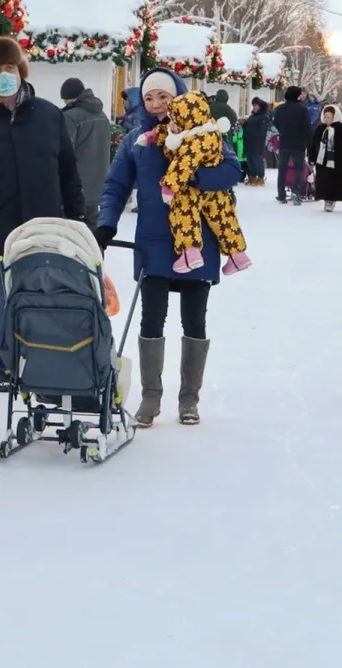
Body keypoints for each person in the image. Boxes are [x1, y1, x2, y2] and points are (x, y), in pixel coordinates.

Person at [97, 69, 242, 426]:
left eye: (164, 96)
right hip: (154, 241)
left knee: (194, 318)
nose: (157, 104)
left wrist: (192, 174)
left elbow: (233, 170)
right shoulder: (137, 141)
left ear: (177, 96)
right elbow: (116, 185)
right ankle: (151, 397)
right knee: (152, 318)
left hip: (199, 241)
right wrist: (105, 224)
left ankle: (189, 399)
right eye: (149, 98)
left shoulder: (204, 135)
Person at [0, 35, 86, 392]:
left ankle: (42, 359)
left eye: (9, 67)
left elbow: (68, 172)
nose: (3, 74)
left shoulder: (49, 116)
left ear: (20, 71)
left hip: (44, 228)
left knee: (43, 296)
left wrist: (76, 221)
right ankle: (3, 365)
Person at [158, 90, 252, 274]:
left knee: (184, 213)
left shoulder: (194, 140)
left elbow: (183, 163)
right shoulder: (211, 130)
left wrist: (169, 186)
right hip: (216, 191)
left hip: (191, 189)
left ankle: (189, 253)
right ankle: (237, 255)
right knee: (224, 217)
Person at [60, 78, 114, 224]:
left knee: (74, 233)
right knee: (92, 233)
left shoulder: (70, 117)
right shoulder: (102, 115)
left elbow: (64, 152)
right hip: (98, 185)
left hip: (76, 187)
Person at [272, 86, 313, 205]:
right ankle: (296, 190)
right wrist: (309, 143)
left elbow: (276, 124)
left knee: (282, 168)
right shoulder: (302, 109)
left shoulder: (280, 109)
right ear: (298, 95)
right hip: (298, 143)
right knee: (298, 168)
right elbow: (307, 128)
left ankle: (281, 194)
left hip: (284, 142)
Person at [310, 104, 342, 212]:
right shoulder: (320, 128)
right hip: (322, 160)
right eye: (325, 116)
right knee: (323, 180)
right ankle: (326, 199)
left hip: (337, 161)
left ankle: (331, 200)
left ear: (335, 116)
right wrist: (312, 157)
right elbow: (314, 144)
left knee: (334, 181)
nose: (326, 119)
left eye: (329, 117)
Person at [239, 98, 272, 186]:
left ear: (260, 107)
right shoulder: (252, 116)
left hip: (257, 142)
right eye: (253, 105)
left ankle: (260, 177)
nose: (254, 107)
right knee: (250, 160)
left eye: (256, 105)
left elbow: (262, 131)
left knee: (257, 159)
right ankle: (252, 176)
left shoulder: (264, 117)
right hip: (248, 141)